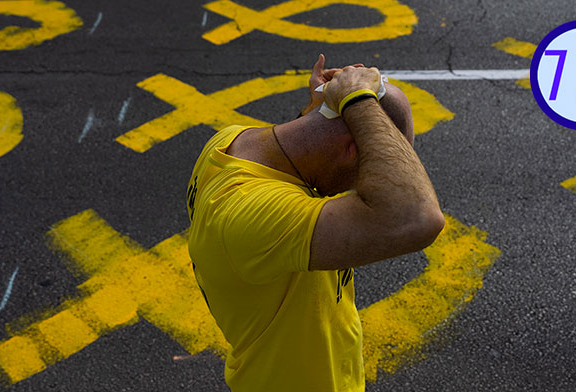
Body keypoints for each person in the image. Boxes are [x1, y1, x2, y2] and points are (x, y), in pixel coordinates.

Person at [185, 54, 444, 391]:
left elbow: (321, 139)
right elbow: (417, 217)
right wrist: (356, 100)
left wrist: (325, 106)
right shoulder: (255, 215)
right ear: (351, 151)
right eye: (364, 176)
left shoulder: (230, 142)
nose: (361, 188)